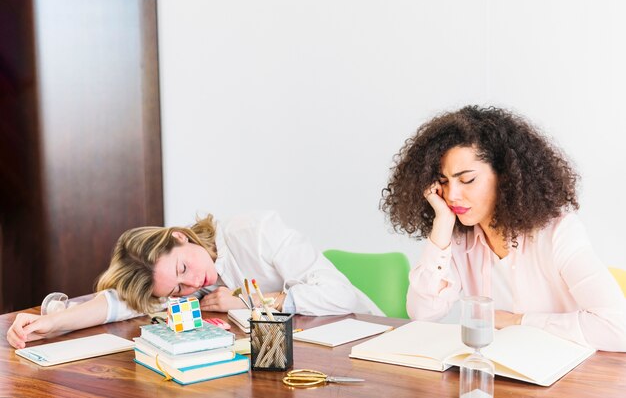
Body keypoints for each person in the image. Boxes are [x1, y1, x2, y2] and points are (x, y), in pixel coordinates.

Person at [381, 105, 626, 352]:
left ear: (505, 176)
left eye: (467, 180)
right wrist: (441, 226)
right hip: (499, 372)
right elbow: (422, 314)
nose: (452, 195)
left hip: (563, 375)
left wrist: (518, 322)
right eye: (444, 182)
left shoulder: (558, 233)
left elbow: (618, 328)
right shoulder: (458, 237)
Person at [7, 210, 381, 349]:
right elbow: (118, 303)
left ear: (180, 236)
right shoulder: (181, 285)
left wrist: (253, 301)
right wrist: (49, 323)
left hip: (364, 340)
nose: (193, 283)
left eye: (184, 269)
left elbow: (340, 296)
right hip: (298, 358)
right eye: (177, 288)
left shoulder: (256, 232)